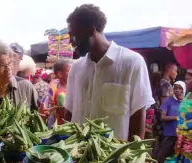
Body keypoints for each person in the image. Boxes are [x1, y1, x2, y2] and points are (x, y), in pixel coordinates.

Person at [64, 4, 155, 141]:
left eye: (73, 35)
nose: (70, 41)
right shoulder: (76, 68)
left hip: (113, 156)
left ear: (90, 30)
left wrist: (133, 154)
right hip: (78, 154)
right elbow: (69, 111)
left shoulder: (132, 62)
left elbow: (138, 114)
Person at [156, 81, 186, 163]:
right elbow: (162, 117)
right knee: (161, 156)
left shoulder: (186, 102)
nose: (177, 90)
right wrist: (176, 118)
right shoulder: (168, 101)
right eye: (175, 88)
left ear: (184, 89)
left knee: (181, 158)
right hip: (170, 134)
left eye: (180, 88)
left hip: (182, 135)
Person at [43, 59, 72, 127]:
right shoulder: (61, 94)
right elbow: (65, 118)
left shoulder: (69, 88)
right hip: (64, 128)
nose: (72, 73)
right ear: (60, 74)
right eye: (69, 71)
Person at [175, 69, 192, 163]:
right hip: (182, 140)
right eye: (185, 79)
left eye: (188, 79)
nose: (186, 82)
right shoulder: (188, 94)